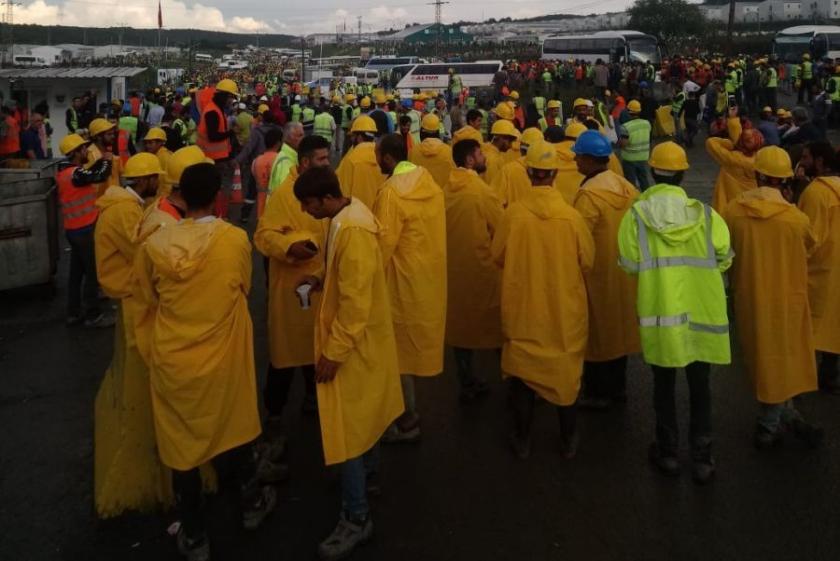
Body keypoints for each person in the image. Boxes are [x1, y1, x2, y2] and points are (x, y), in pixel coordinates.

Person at [133, 162, 275, 560]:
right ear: (218, 197)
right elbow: (243, 288)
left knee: (183, 449)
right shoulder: (233, 240)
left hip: (173, 360)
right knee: (234, 429)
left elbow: (144, 304)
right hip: (224, 355)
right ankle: (250, 506)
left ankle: (194, 536)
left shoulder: (155, 245)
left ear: (179, 195)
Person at [290, 166, 403, 561]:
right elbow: (347, 275)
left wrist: (334, 353)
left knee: (349, 429)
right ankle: (366, 478)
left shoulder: (351, 229)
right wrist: (321, 277)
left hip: (354, 344)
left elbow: (355, 303)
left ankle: (355, 517)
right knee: (363, 418)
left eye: (308, 204)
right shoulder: (346, 218)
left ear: (324, 199)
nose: (305, 212)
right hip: (362, 341)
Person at [618, 142, 732, 485]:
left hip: (660, 317)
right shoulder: (708, 216)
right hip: (703, 317)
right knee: (701, 387)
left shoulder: (636, 216)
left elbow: (629, 264)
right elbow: (725, 257)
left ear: (653, 172)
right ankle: (703, 457)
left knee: (663, 386)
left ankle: (668, 453)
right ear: (683, 174)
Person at [491, 140, 595, 460]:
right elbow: (587, 260)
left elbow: (497, 256)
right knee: (566, 375)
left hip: (523, 308)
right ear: (553, 174)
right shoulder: (571, 216)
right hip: (564, 311)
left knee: (523, 376)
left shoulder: (514, 216)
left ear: (530, 173)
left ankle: (522, 440)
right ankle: (569, 438)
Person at [723, 146, 823, 449]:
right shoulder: (796, 219)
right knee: (785, 357)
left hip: (748, 297)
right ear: (786, 180)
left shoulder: (732, 211)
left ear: (757, 174)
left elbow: (724, 251)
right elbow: (812, 247)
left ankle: (783, 416)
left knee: (762, 358)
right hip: (788, 297)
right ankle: (771, 424)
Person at [93, 153, 167, 517]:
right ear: (146, 180)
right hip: (130, 295)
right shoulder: (125, 211)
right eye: (157, 178)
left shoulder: (125, 203)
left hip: (125, 293)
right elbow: (142, 253)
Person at [254, 135, 332, 455]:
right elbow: (263, 235)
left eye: (328, 159)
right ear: (303, 163)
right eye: (322, 160)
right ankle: (274, 416)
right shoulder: (284, 195)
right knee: (285, 358)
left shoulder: (329, 190)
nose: (328, 164)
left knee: (316, 348)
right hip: (290, 290)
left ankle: (315, 398)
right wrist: (290, 247)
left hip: (321, 287)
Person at [374, 134, 447, 443]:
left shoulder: (391, 193)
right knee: (405, 351)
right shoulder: (428, 182)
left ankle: (405, 420)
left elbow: (382, 245)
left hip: (398, 283)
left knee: (394, 354)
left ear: (388, 159)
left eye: (378, 156)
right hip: (427, 279)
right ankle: (408, 414)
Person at [571, 131, 640, 409]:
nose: (575, 159)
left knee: (596, 334)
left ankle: (598, 392)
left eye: (578, 155)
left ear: (589, 159)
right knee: (619, 329)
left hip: (596, 275)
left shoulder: (588, 195)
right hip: (624, 271)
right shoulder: (626, 188)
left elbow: (579, 238)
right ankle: (618, 388)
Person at [444, 139, 503, 400]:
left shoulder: (446, 189)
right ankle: (512, 379)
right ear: (469, 160)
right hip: (484, 270)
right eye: (479, 154)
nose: (484, 157)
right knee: (497, 325)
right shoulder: (482, 191)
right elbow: (501, 228)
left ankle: (466, 381)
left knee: (461, 328)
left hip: (454, 271)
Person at [796, 141, 840, 394]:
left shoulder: (816, 193)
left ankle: (804, 379)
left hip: (819, 270)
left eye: (806, 157)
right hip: (835, 268)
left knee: (810, 326)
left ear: (821, 161)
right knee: (834, 322)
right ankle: (829, 375)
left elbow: (809, 238)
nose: (803, 162)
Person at [57, 134, 112, 327]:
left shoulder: (68, 173)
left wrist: (99, 164)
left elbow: (90, 173)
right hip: (84, 230)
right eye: (83, 149)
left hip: (74, 230)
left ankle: (73, 312)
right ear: (75, 153)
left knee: (76, 273)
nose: (86, 151)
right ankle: (93, 315)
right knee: (92, 272)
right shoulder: (76, 175)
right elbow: (100, 175)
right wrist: (107, 161)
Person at [196, 78, 239, 219]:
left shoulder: (217, 109)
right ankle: (218, 215)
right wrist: (230, 132)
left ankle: (217, 214)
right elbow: (213, 136)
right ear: (224, 96)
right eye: (231, 97)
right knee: (217, 190)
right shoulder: (212, 111)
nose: (231, 101)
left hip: (218, 157)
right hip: (212, 158)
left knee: (217, 189)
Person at [335, 115, 386, 210]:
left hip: (357, 216)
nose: (351, 139)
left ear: (359, 137)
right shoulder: (383, 156)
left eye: (353, 136)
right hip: (379, 213)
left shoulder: (351, 159)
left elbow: (342, 192)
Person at [491, 127, 544, 208]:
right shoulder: (548, 171)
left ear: (521, 149)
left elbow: (495, 201)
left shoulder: (507, 170)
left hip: (514, 219)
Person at [409, 114, 454, 189]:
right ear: (438, 132)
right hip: (442, 196)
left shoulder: (413, 151)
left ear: (421, 132)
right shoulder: (448, 151)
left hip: (420, 195)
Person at [617, 100, 652, 191]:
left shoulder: (625, 127)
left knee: (630, 182)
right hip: (642, 157)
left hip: (629, 158)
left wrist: (618, 143)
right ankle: (646, 196)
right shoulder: (647, 124)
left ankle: (632, 200)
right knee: (643, 180)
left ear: (628, 112)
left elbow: (624, 144)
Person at [251, 127, 283, 218]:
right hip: (276, 208)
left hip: (261, 209)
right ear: (278, 143)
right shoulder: (281, 160)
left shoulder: (256, 161)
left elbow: (255, 178)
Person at [483, 119, 520, 185]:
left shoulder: (488, 150)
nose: (511, 146)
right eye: (510, 141)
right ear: (500, 137)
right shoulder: (493, 160)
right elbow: (493, 187)